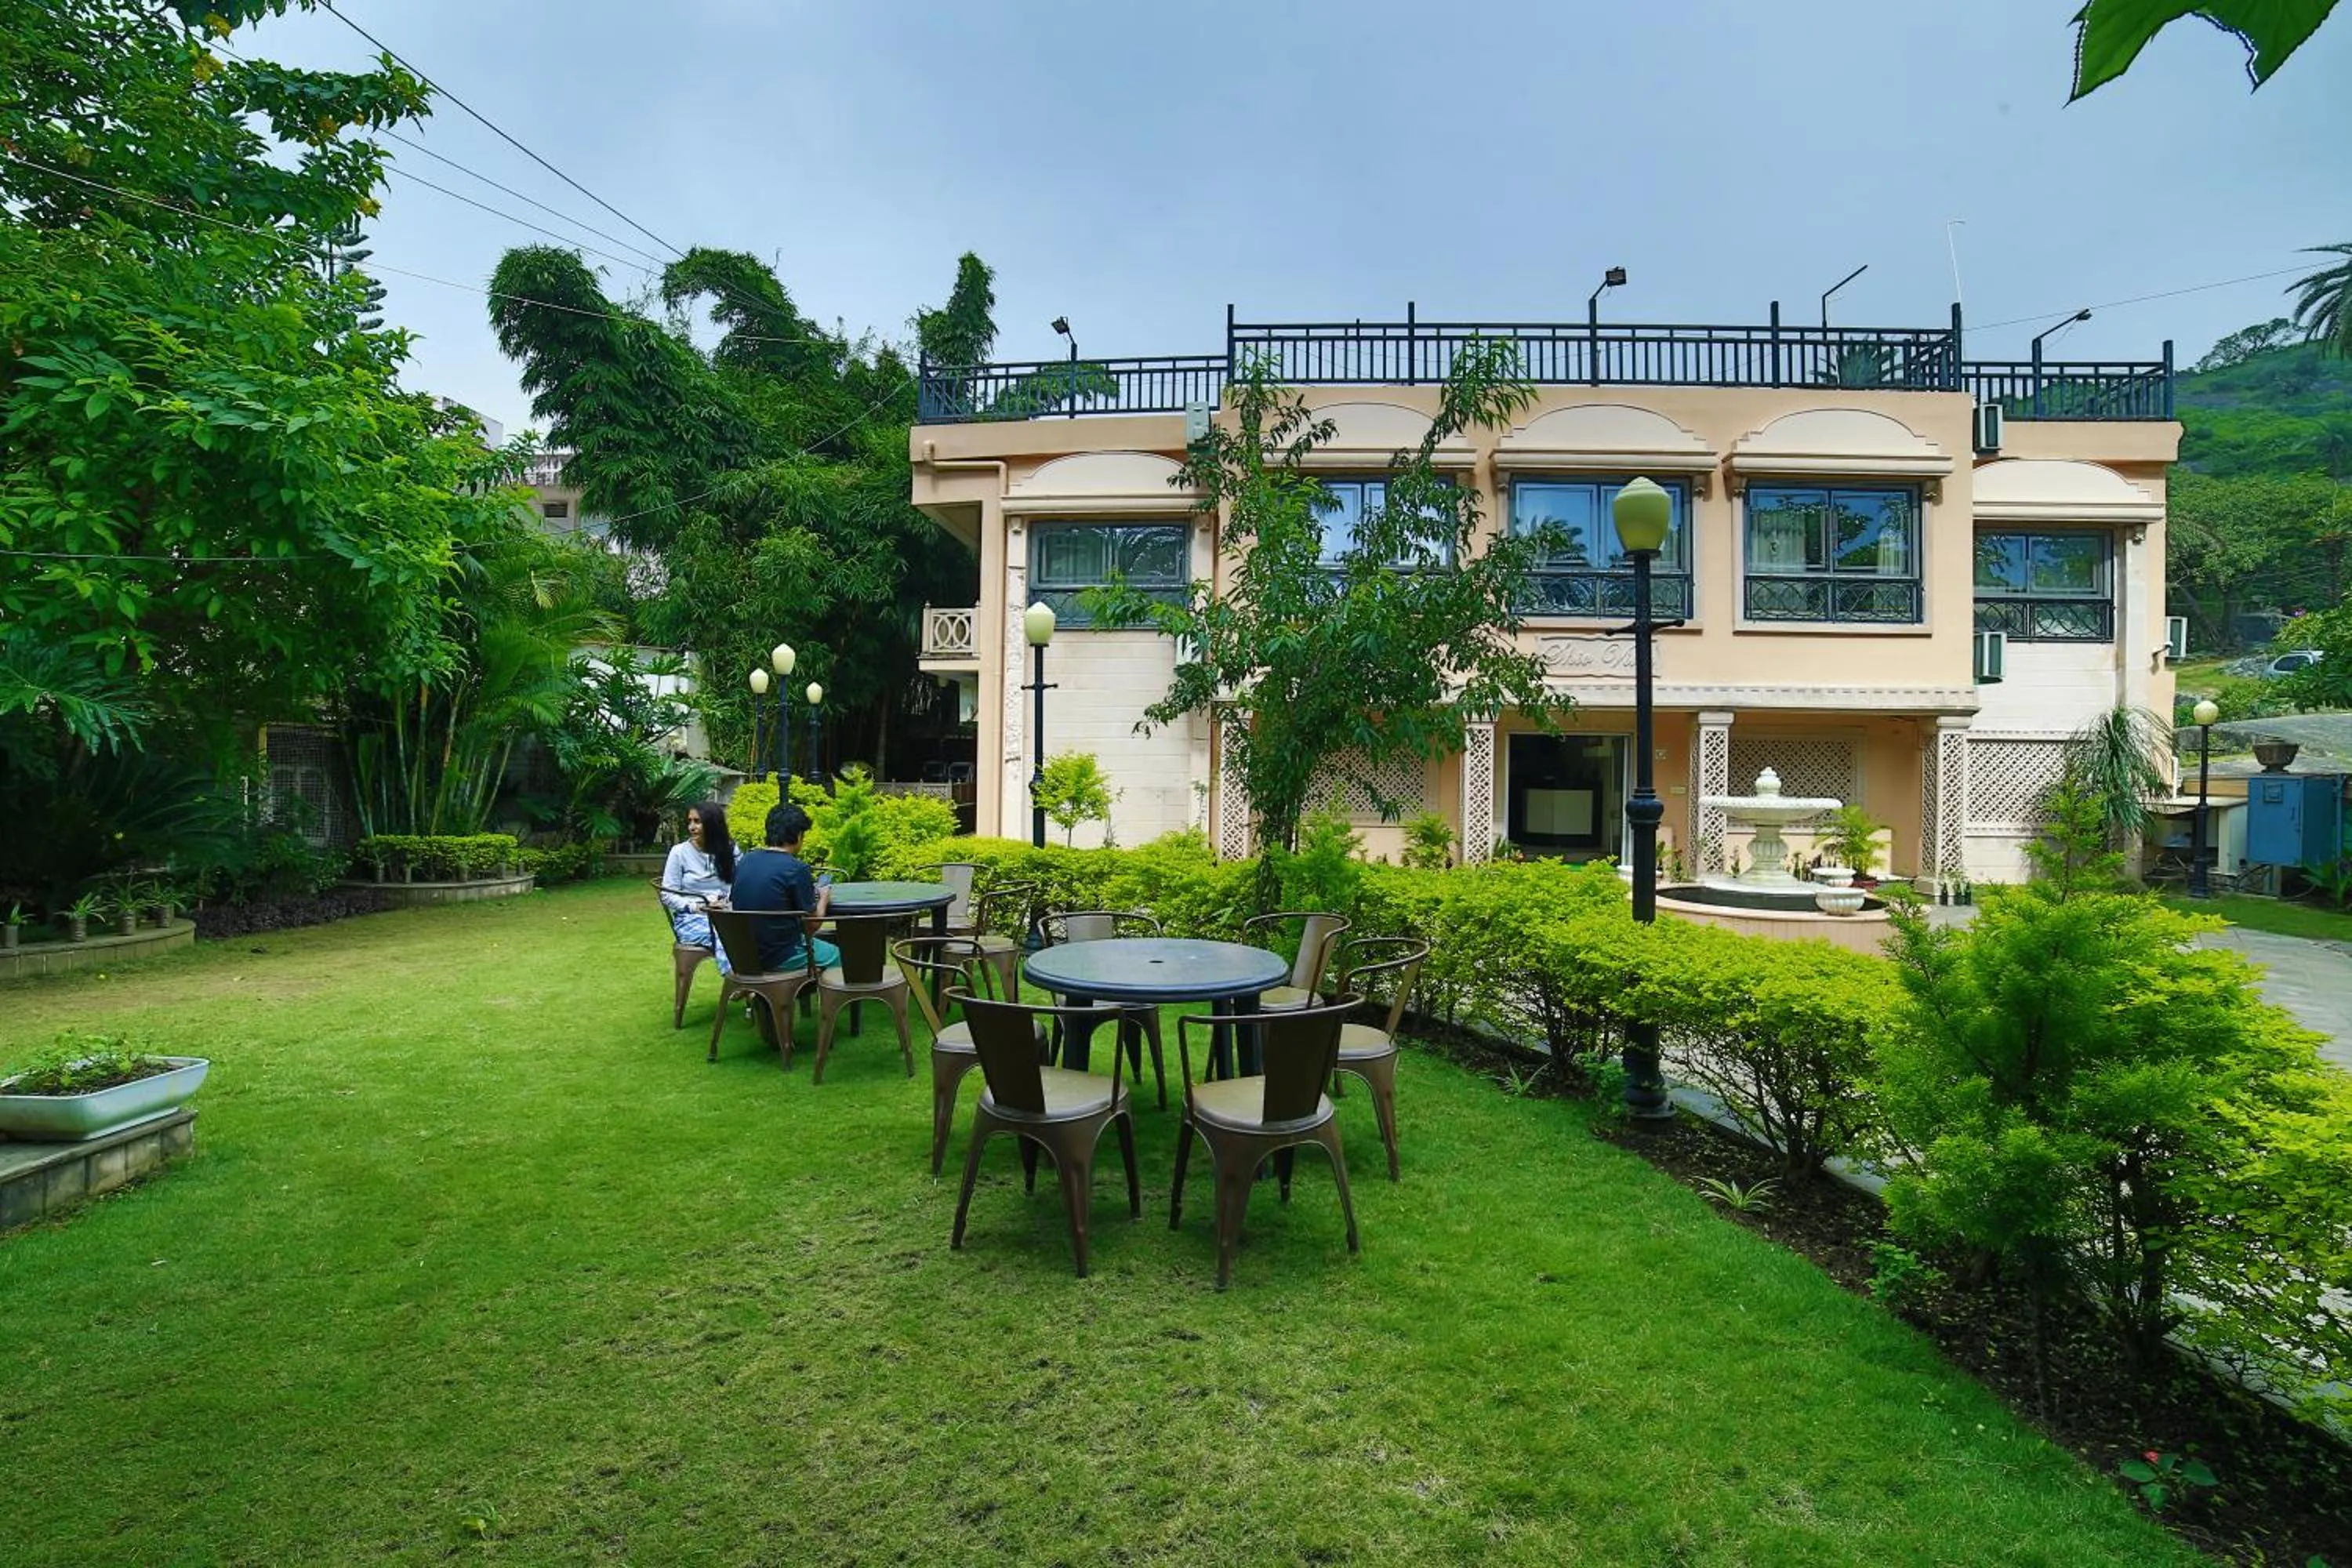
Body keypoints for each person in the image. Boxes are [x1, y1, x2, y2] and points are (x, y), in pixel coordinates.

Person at [730, 801, 840, 974]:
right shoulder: (796, 869)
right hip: (782, 955)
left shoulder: (746, 861)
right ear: (798, 835)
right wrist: (824, 896)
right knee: (841, 956)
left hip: (748, 956)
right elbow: (813, 925)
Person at [660, 801, 737, 973]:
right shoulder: (679, 852)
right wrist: (697, 907)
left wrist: (727, 902)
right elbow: (667, 895)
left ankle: (751, 980)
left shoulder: (730, 850)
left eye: (697, 822)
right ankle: (737, 978)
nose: (692, 827)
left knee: (752, 932)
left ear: (713, 823)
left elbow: (739, 883)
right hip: (692, 918)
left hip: (727, 913)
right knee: (724, 935)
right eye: (690, 821)